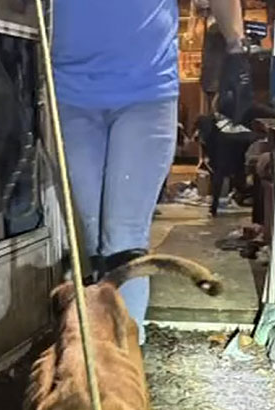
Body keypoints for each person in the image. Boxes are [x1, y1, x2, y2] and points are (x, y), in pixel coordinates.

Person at [52, 0, 250, 344]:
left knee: (123, 241)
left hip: (144, 91)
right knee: (92, 239)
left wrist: (237, 48)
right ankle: (98, 359)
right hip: (69, 93)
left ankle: (123, 363)